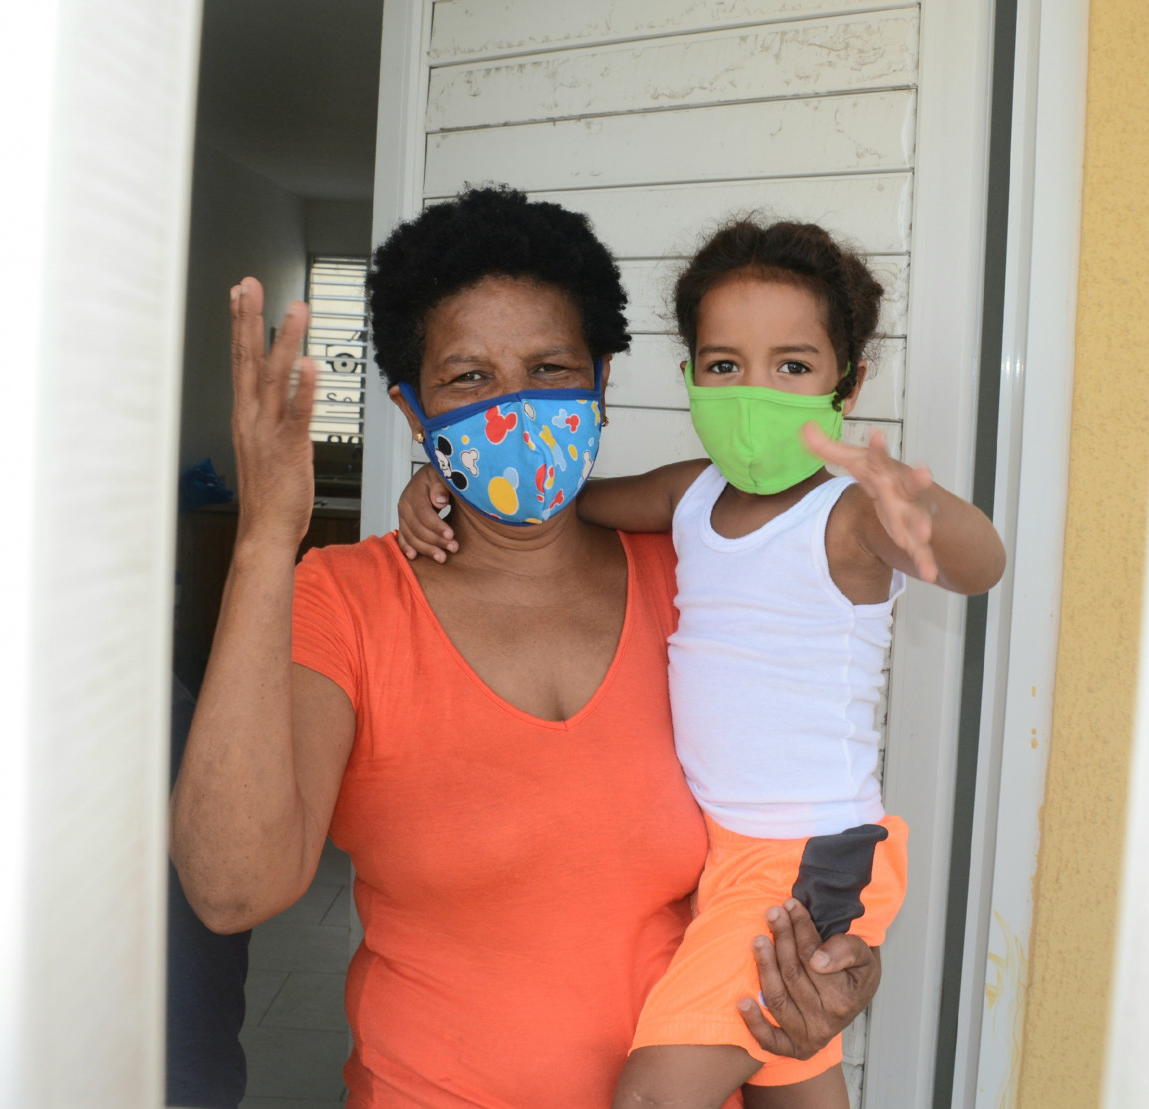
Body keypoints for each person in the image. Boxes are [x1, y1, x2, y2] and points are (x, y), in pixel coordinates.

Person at [170, 187, 879, 1107]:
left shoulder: (704, 577)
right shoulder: (345, 600)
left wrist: (832, 972)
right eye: (469, 377)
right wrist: (265, 538)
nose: (514, 408)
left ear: (601, 382)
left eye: (549, 368)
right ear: (413, 409)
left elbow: (790, 851)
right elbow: (232, 888)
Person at [397, 218, 1006, 1108]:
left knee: (656, 1093)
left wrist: (917, 501)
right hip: (724, 854)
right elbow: (555, 503)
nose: (754, 391)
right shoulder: (690, 492)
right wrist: (442, 483)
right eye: (725, 364)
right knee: (791, 1079)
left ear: (848, 382)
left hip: (803, 857)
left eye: (792, 365)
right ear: (689, 376)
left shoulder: (850, 517)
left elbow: (980, 565)